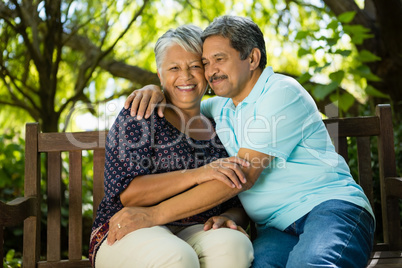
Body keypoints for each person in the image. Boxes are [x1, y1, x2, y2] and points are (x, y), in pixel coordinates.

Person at [124, 15, 376, 268]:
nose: (211, 71)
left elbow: (240, 176)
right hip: (275, 227)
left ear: (252, 58)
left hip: (328, 209)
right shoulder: (221, 106)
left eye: (219, 59)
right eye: (205, 62)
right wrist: (153, 90)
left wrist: (152, 215)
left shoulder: (281, 92)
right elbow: (181, 100)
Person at [89, 24, 254, 268]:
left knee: (235, 248)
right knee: (176, 257)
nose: (185, 76)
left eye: (195, 66)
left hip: (196, 228)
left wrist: (229, 217)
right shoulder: (141, 114)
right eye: (174, 68)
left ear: (207, 71)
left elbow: (236, 199)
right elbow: (129, 194)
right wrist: (199, 174)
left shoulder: (222, 125)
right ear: (159, 74)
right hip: (128, 227)